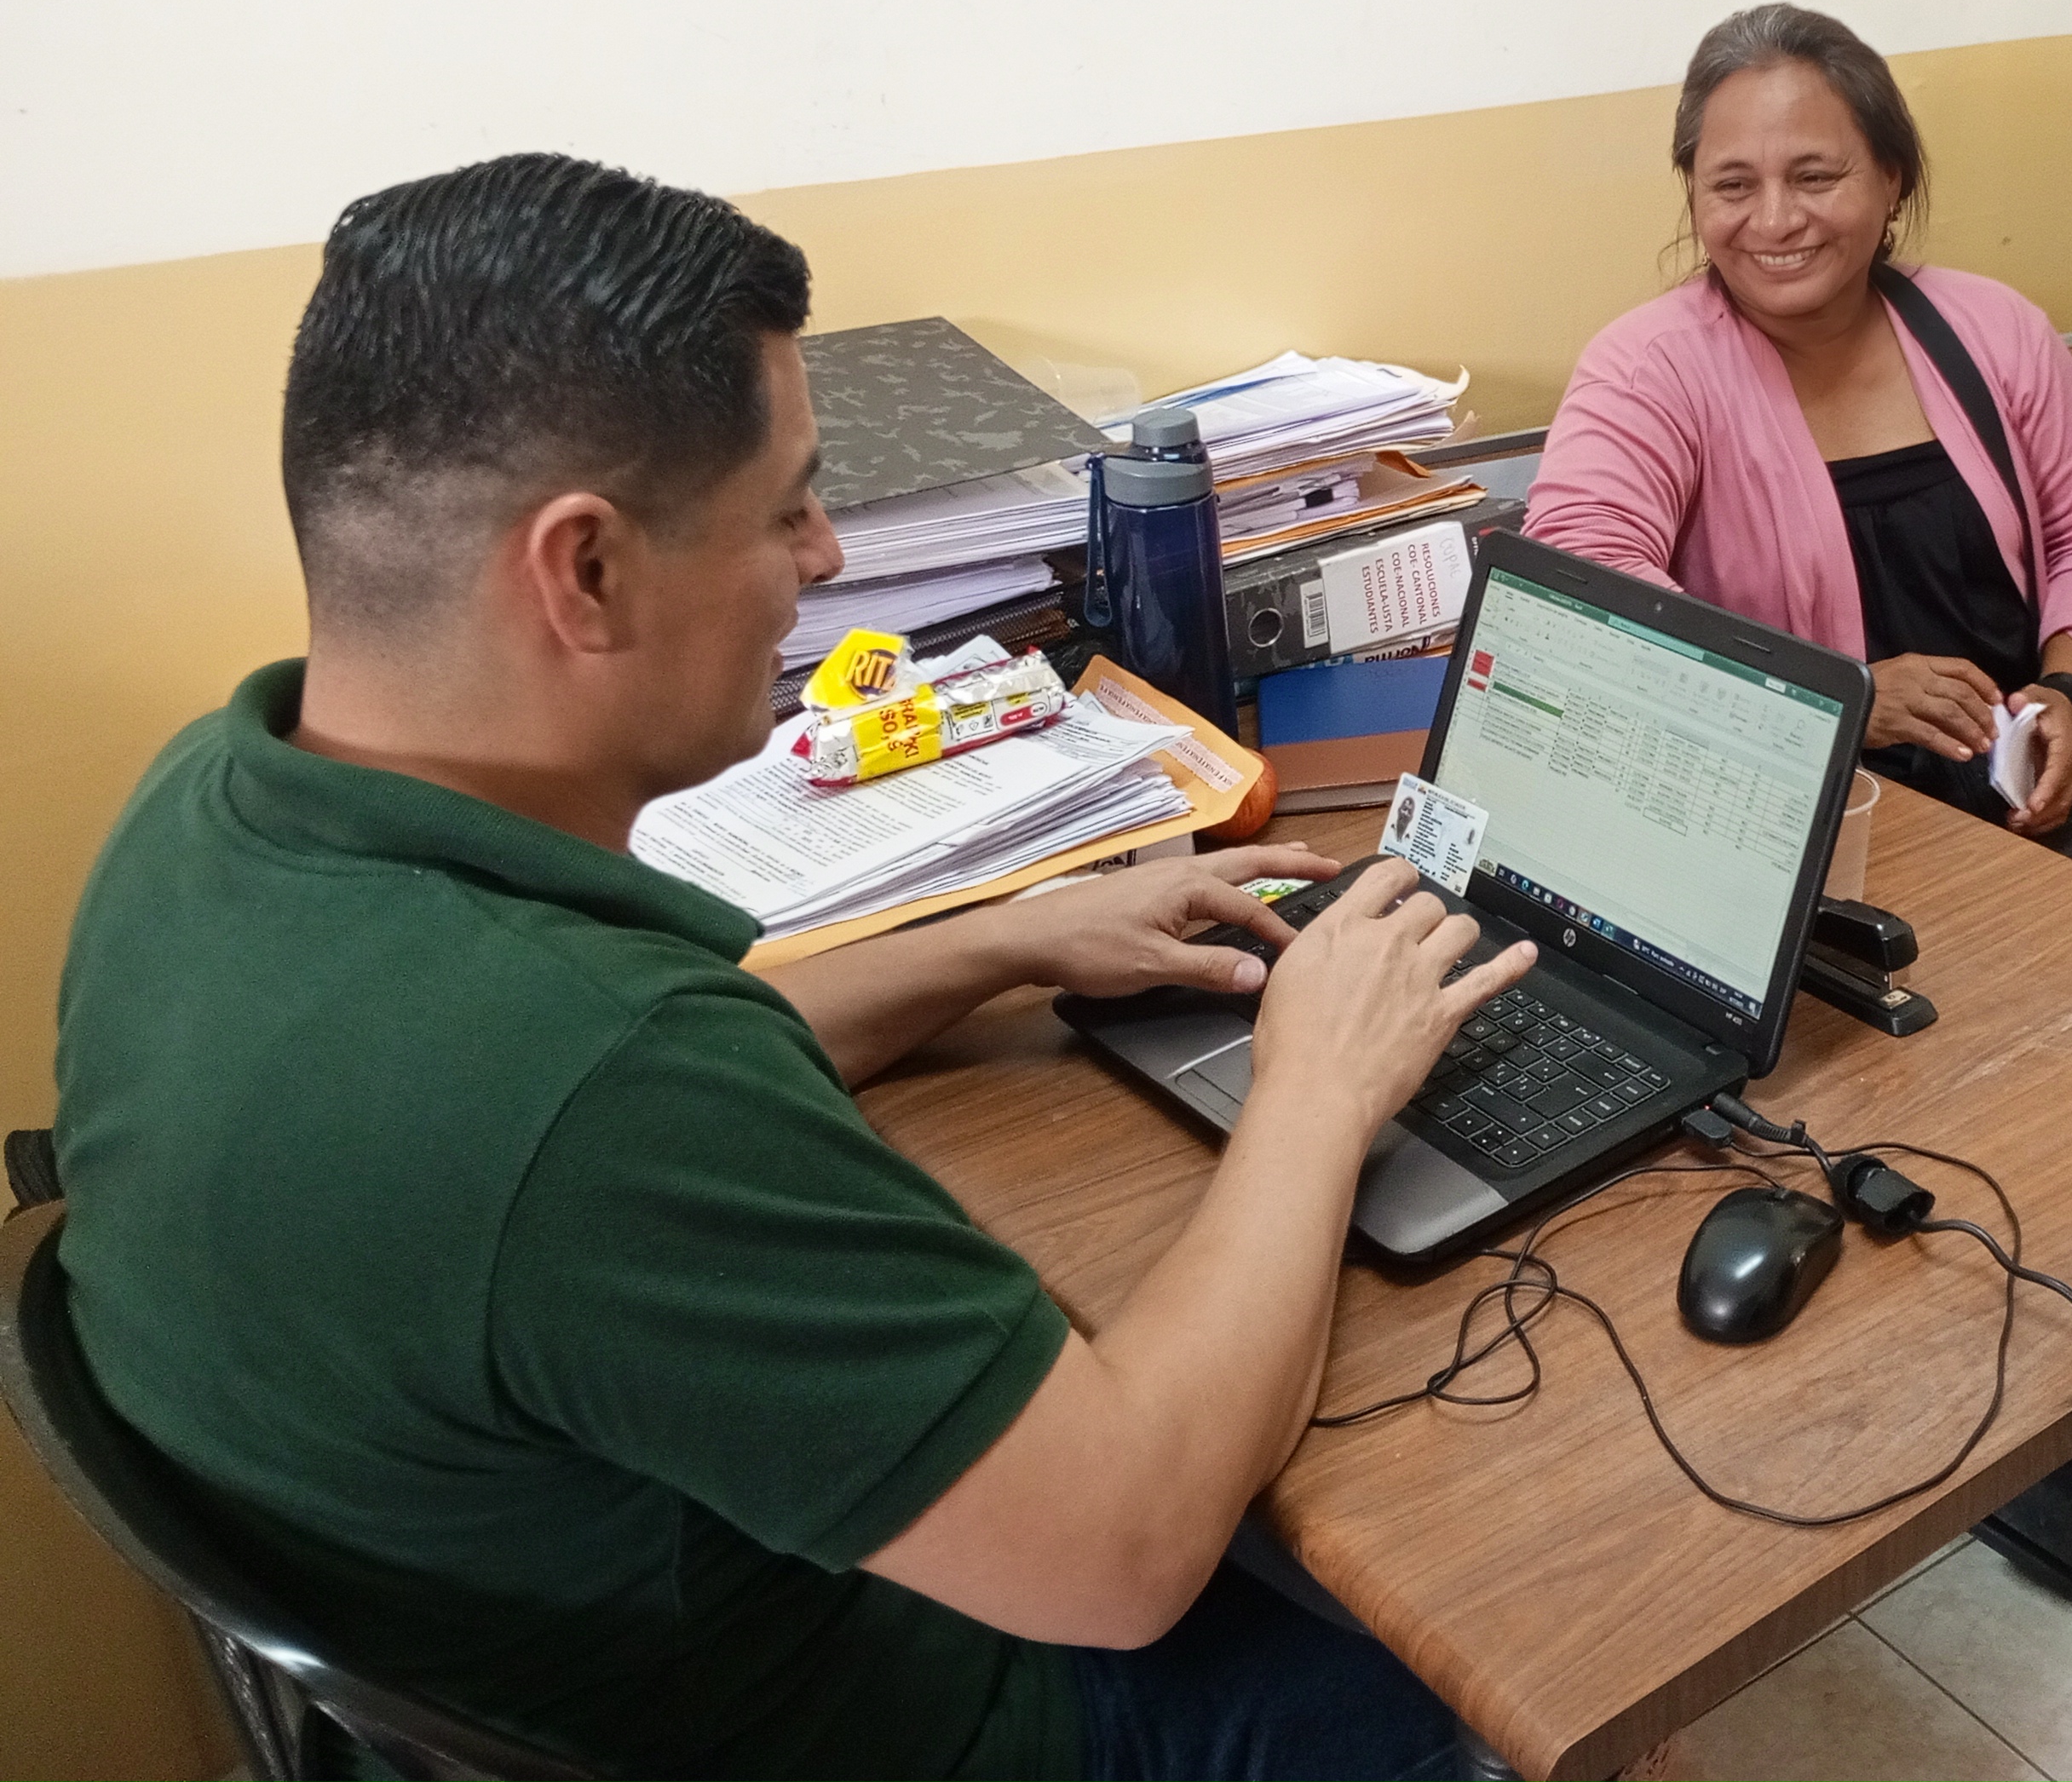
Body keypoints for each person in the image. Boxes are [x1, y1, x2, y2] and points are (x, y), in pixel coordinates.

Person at [53, 153, 1535, 1782]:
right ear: (584, 569)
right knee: (1479, 1642)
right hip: (912, 1715)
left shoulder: (212, 807)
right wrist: (1318, 1085)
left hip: (535, 1621)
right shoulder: (602, 1084)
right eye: (785, 507)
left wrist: (1002, 938)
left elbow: (567, 1109)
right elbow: (1125, 1551)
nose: (824, 557)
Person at [1527, 3, 2072, 940]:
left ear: (1890, 177)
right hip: (1785, 802)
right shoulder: (1646, 369)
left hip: (2029, 778)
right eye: (1732, 185)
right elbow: (1588, 595)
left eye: (1815, 176)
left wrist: (2068, 694)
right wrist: (1839, 700)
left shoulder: (1994, 329)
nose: (1775, 219)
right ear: (1693, 195)